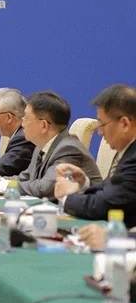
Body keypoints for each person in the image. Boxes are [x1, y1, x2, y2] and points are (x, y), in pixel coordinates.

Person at [0, 91, 100, 198]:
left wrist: (3, 185)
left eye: (26, 118)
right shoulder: (41, 146)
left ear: (43, 125)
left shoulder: (68, 149)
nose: (22, 123)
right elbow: (25, 177)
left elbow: (45, 188)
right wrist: (0, 180)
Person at [54, 84, 136, 227]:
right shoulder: (129, 152)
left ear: (124, 124)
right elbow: (113, 190)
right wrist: (83, 184)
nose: (100, 132)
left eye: (102, 124)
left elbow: (106, 205)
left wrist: (67, 198)